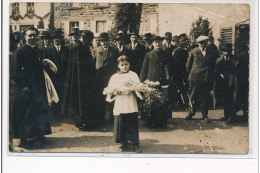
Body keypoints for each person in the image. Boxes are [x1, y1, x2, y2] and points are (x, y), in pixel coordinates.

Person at [10, 26, 53, 149]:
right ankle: (25, 140)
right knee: (26, 115)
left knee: (38, 113)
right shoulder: (20, 51)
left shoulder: (38, 50)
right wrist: (22, 87)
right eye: (30, 35)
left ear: (37, 36)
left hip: (38, 88)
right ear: (25, 37)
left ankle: (39, 136)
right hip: (25, 88)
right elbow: (14, 72)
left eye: (34, 35)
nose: (32, 37)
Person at [105, 55, 141, 153]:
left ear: (129, 64)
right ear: (118, 66)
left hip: (130, 101)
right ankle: (123, 143)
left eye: (126, 64)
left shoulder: (133, 75)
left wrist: (134, 90)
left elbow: (138, 87)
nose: (124, 66)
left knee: (132, 121)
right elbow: (110, 90)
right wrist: (115, 92)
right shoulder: (114, 77)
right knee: (122, 122)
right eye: (122, 65)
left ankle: (135, 143)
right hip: (120, 101)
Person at [62, 29, 96, 130]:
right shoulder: (78, 47)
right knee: (80, 100)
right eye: (90, 40)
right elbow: (80, 65)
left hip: (81, 79)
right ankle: (80, 122)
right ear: (85, 39)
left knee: (81, 100)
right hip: (80, 80)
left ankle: (81, 121)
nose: (91, 42)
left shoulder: (80, 46)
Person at [140, 36, 171, 127]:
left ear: (162, 43)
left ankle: (162, 121)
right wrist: (142, 80)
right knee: (151, 101)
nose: (158, 44)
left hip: (162, 80)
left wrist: (168, 77)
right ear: (153, 44)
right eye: (156, 42)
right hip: (151, 80)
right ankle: (150, 121)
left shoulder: (166, 54)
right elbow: (144, 68)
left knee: (162, 100)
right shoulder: (148, 54)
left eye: (159, 42)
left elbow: (169, 67)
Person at [92, 32, 119, 132]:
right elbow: (93, 64)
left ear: (109, 41)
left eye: (106, 41)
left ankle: (113, 120)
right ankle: (101, 121)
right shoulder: (95, 51)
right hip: (99, 79)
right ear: (100, 42)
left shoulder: (115, 50)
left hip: (111, 78)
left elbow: (118, 64)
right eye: (102, 41)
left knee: (112, 98)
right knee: (100, 101)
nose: (104, 43)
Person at [185, 36, 213, 122]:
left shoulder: (210, 52)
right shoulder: (194, 52)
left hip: (205, 78)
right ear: (198, 43)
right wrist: (193, 74)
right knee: (192, 97)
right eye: (201, 43)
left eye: (204, 42)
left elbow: (212, 64)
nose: (203, 45)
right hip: (194, 78)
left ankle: (205, 115)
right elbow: (188, 66)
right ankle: (190, 114)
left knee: (205, 97)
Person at [43, 29, 69, 118]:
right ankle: (54, 114)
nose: (57, 40)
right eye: (55, 38)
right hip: (52, 77)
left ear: (61, 39)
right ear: (52, 39)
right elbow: (45, 63)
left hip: (64, 76)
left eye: (58, 38)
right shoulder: (48, 49)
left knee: (63, 94)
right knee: (53, 94)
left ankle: (62, 113)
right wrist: (51, 70)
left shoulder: (66, 49)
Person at [214, 43, 238, 124]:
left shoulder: (235, 59)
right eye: (225, 51)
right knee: (224, 99)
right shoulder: (219, 60)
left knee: (231, 100)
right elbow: (216, 70)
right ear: (222, 52)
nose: (226, 53)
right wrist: (220, 74)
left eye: (228, 51)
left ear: (230, 51)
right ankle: (226, 116)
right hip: (223, 83)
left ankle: (231, 117)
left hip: (233, 82)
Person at [235, 42, 249, 122]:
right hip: (245, 79)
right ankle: (245, 114)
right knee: (245, 97)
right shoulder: (242, 56)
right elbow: (238, 69)